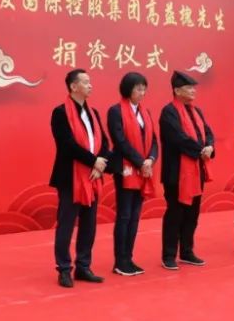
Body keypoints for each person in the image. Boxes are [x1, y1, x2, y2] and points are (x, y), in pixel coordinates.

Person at [49, 69, 110, 288]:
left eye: (90, 81)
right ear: (73, 87)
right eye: (85, 82)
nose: (90, 85)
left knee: (89, 224)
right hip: (70, 177)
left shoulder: (93, 113)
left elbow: (104, 142)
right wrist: (94, 161)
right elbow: (67, 145)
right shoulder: (60, 113)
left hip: (93, 176)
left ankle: (83, 266)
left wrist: (100, 163)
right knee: (66, 224)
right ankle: (64, 268)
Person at [158, 70, 215, 270]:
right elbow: (178, 138)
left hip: (196, 169)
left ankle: (187, 251)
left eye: (193, 88)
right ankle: (169, 255)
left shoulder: (196, 111)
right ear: (177, 90)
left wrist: (209, 146)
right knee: (175, 213)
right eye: (189, 88)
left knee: (192, 212)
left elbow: (207, 132)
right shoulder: (169, 112)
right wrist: (200, 150)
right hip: (176, 172)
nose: (193, 91)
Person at [106, 71, 158, 277]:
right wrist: (140, 162)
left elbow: (154, 141)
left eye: (144, 88)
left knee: (135, 216)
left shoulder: (146, 112)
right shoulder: (115, 111)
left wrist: (150, 159)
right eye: (138, 88)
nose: (142, 92)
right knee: (125, 214)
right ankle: (120, 261)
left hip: (143, 168)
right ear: (128, 89)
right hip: (126, 168)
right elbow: (120, 141)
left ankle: (129, 258)